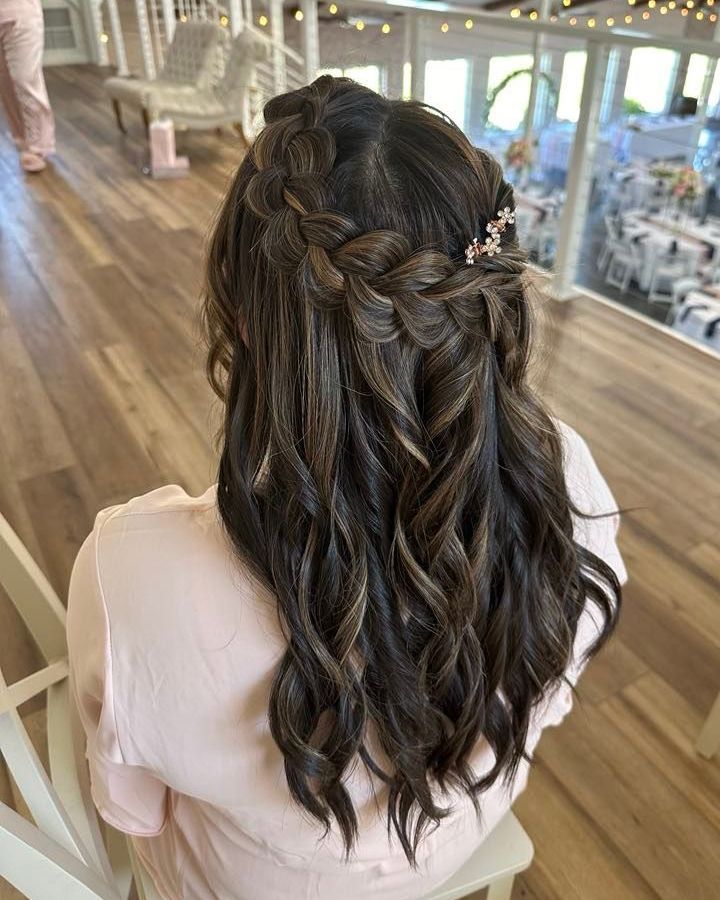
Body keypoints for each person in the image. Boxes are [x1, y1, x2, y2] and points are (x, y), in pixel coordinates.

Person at [68, 76, 626, 900]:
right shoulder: (571, 480)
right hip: (460, 832)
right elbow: (552, 701)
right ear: (492, 293)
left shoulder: (130, 574)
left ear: (245, 319)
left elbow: (133, 811)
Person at [0, 0, 55, 173]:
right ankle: (22, 138)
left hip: (21, 15)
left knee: (25, 78)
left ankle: (38, 146)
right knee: (5, 84)